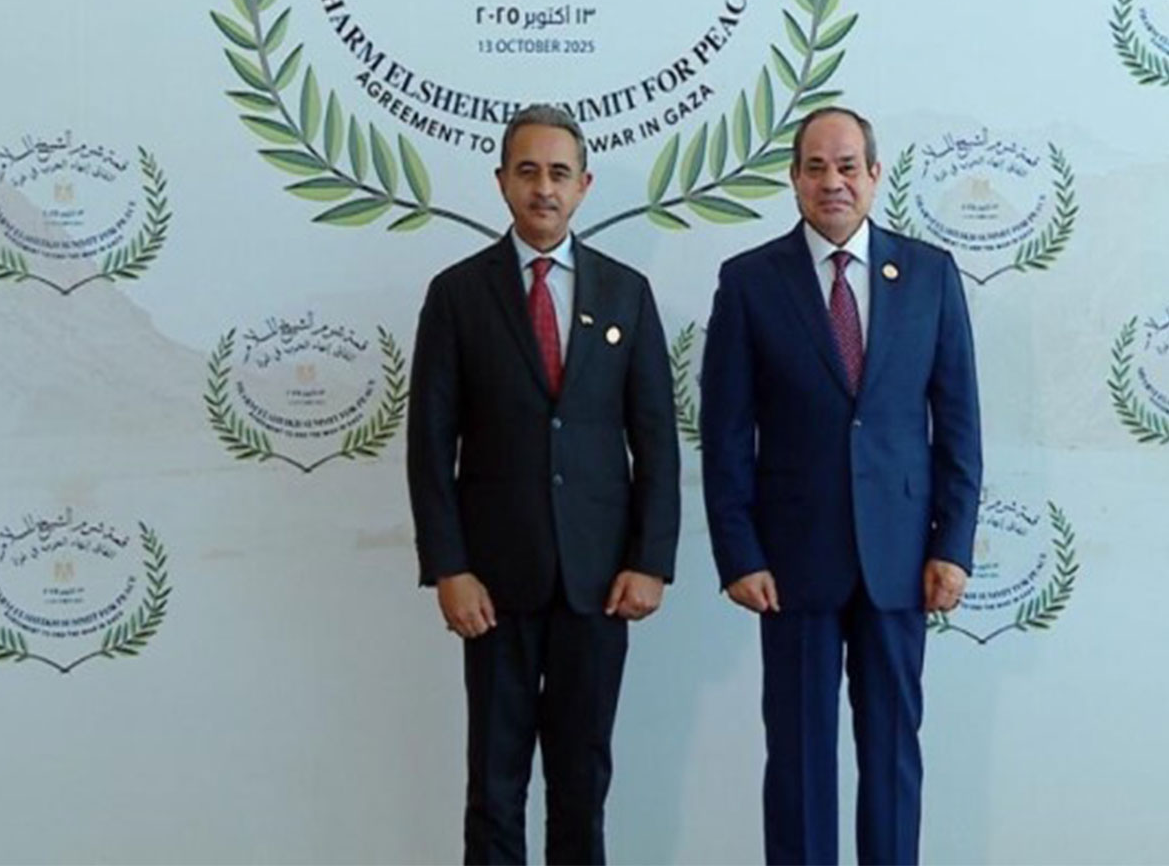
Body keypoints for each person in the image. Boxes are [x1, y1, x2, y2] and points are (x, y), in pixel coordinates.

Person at [700, 106, 983, 866]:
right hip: (790, 567)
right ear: (793, 179)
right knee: (797, 763)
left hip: (901, 565)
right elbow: (725, 435)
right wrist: (740, 553)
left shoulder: (929, 276)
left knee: (892, 762)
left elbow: (958, 427)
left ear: (875, 175)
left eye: (848, 166)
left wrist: (952, 547)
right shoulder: (750, 283)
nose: (833, 182)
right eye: (817, 167)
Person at [407, 104, 681, 865]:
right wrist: (449, 568)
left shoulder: (627, 294)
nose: (543, 189)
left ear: (584, 186)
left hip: (600, 585)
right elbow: (430, 448)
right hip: (493, 586)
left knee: (581, 783)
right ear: (501, 182)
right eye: (527, 171)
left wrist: (650, 559)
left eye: (559, 173)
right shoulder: (458, 295)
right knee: (494, 792)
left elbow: (656, 438)